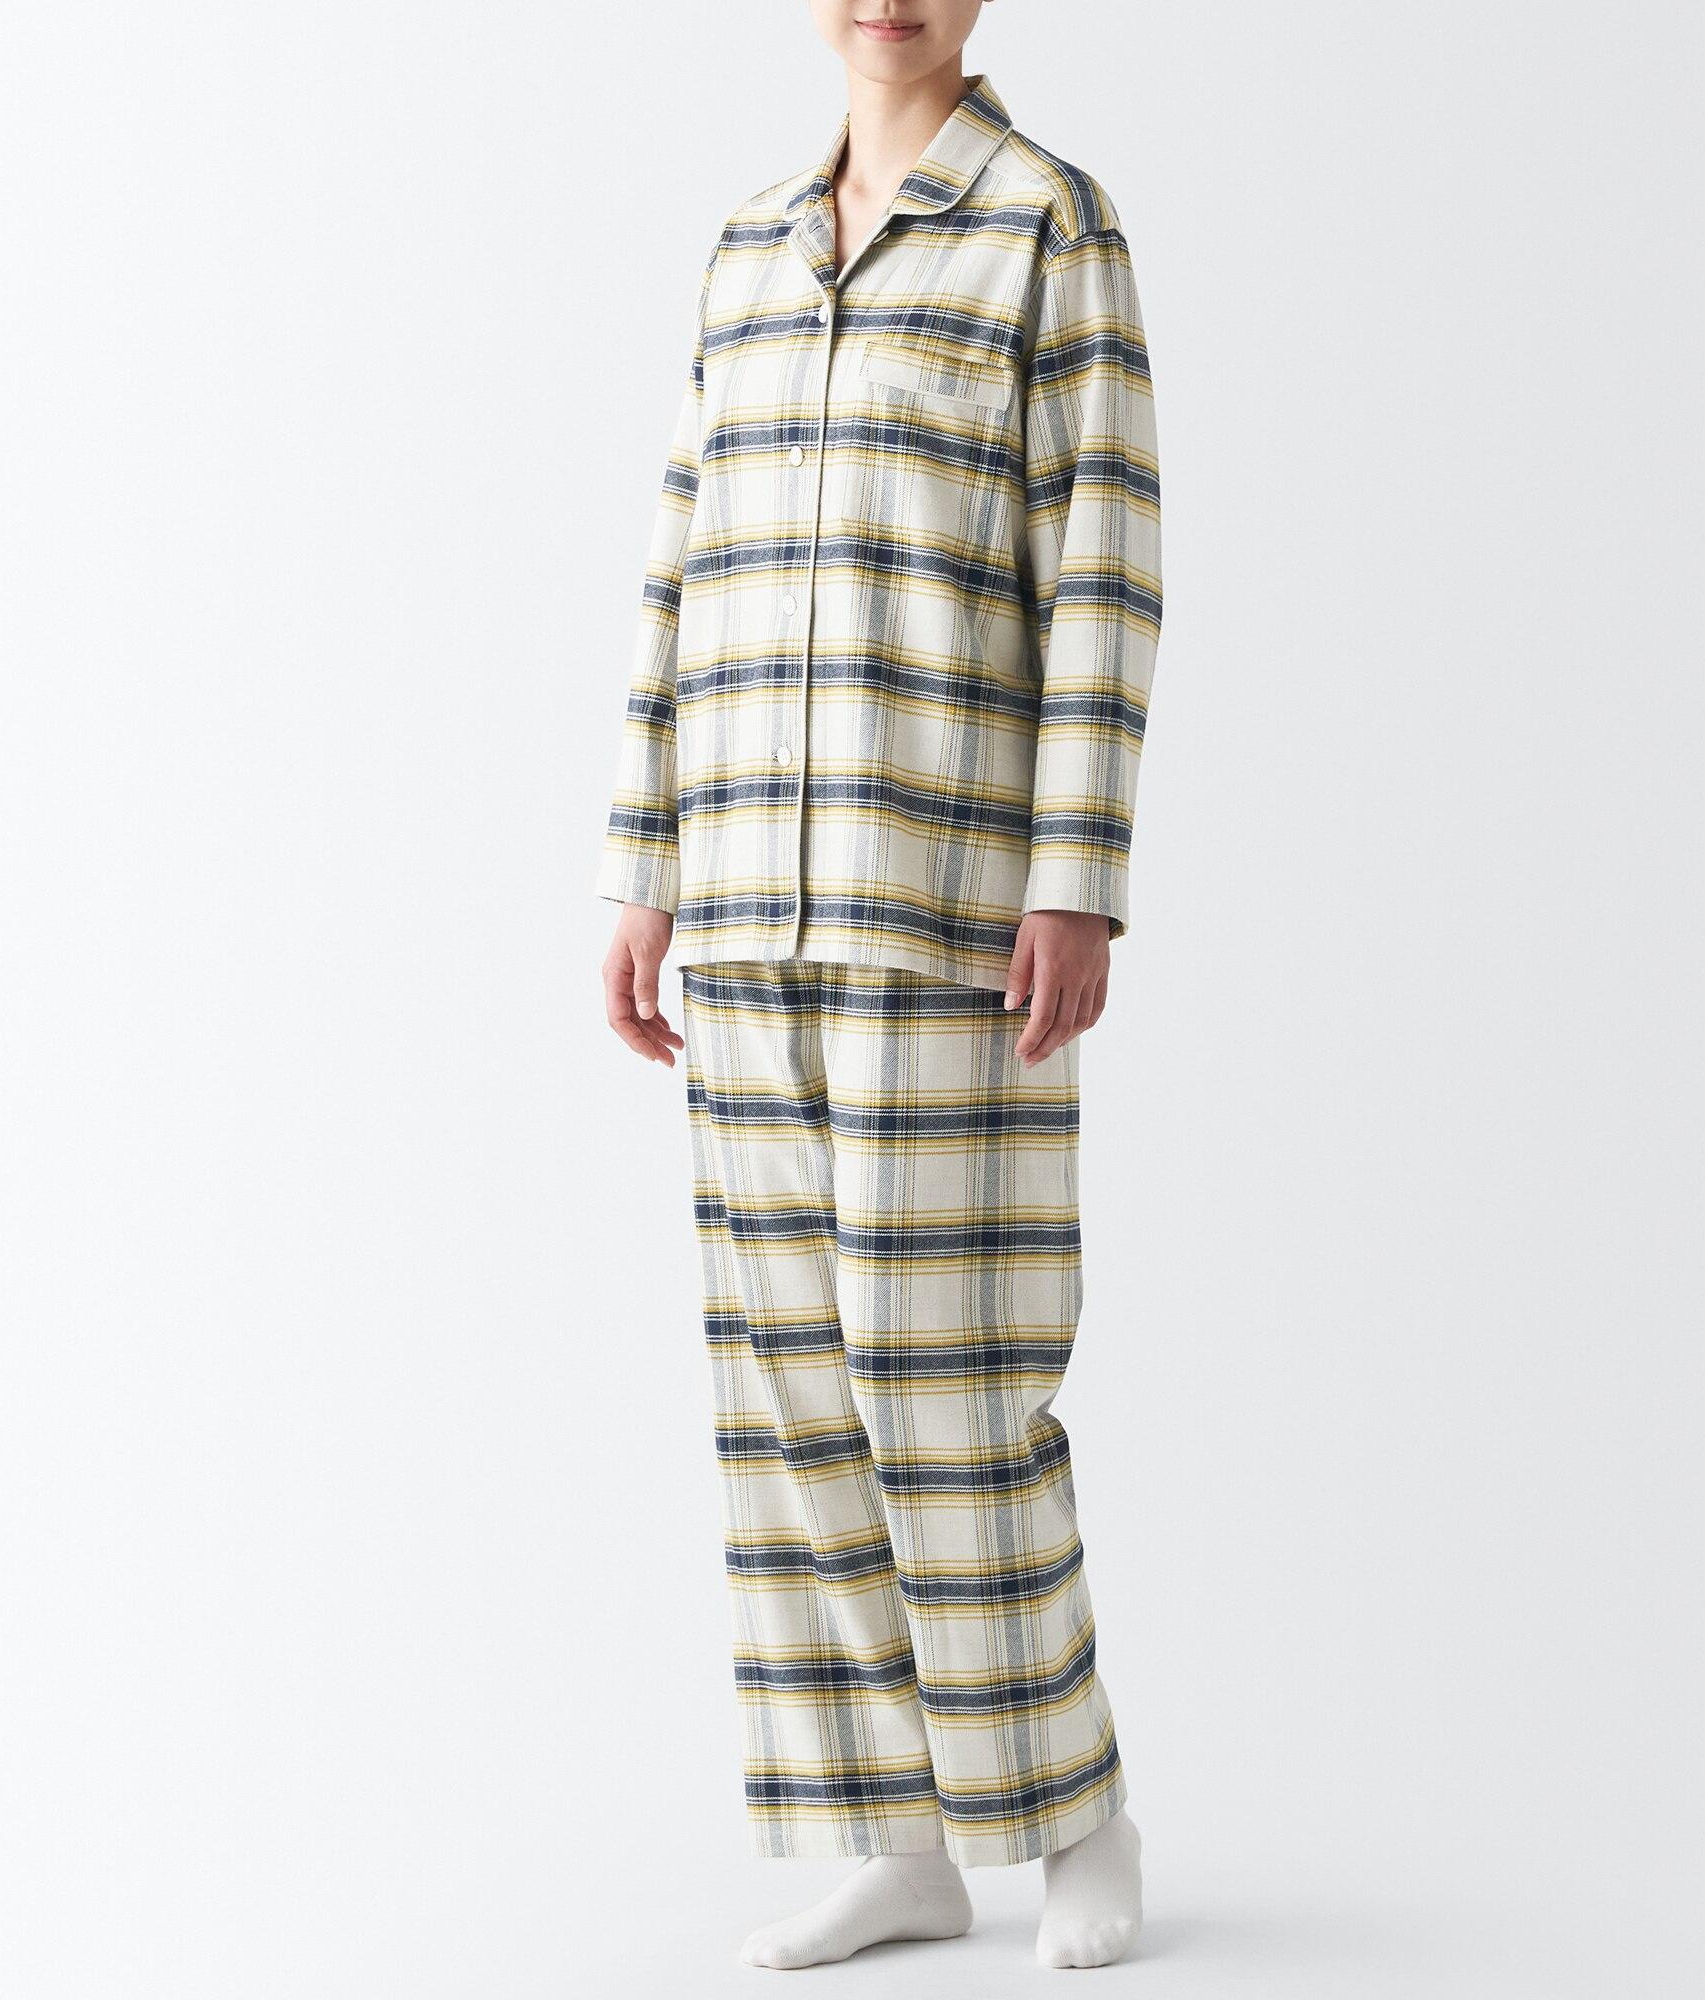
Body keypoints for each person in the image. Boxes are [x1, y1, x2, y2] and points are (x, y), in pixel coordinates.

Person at [596, 0, 1162, 1971]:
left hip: (946, 903)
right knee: (792, 1394)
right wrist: (644, 863)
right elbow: (679, 565)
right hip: (746, 905)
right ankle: (900, 1835)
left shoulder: (1050, 228)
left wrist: (1074, 880)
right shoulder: (747, 247)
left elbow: (1103, 577)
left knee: (951, 1379)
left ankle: (1072, 1808)